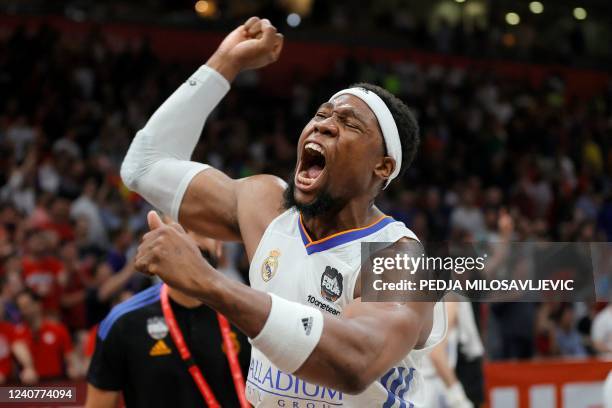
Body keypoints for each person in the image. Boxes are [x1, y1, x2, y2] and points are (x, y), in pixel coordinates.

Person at [121, 16, 445, 407]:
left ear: (382, 167)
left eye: (348, 123)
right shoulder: (265, 207)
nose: (323, 126)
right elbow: (143, 167)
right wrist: (225, 63)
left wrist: (209, 284)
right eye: (322, 115)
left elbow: (357, 362)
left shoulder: (399, 259)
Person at [85, 236, 251, 408]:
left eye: (203, 230)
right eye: (182, 229)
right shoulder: (122, 321)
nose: (191, 242)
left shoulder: (248, 313)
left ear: (219, 244)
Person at [14, 289, 80, 380]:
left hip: (56, 383)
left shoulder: (58, 329)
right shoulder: (17, 332)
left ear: (38, 305)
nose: (24, 311)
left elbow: (70, 357)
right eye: (21, 307)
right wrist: (27, 369)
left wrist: (73, 368)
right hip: (29, 386)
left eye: (27, 306)